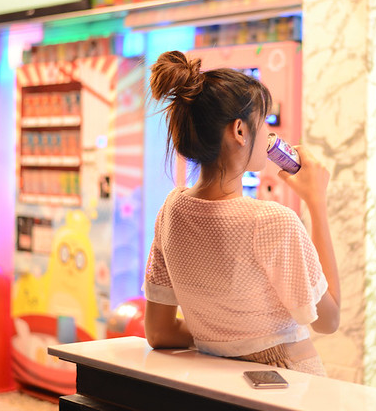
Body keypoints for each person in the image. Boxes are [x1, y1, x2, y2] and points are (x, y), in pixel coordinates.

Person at [143, 50, 340, 376]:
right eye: (263, 122)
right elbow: (329, 320)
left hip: (217, 385)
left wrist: (223, 337)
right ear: (239, 131)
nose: (269, 133)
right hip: (288, 384)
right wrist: (317, 202)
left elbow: (159, 333)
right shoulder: (273, 220)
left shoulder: (170, 211)